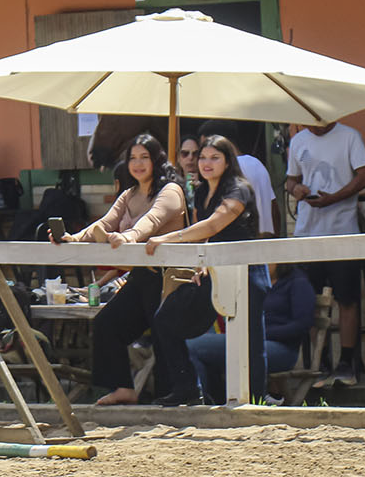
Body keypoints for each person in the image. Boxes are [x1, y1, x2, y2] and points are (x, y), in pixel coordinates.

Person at [57, 133, 188, 405]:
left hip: (167, 277)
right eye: (133, 158)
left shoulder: (172, 191)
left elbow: (150, 222)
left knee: (163, 332)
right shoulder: (129, 194)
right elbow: (103, 225)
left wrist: (128, 236)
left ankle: (173, 395)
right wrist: (71, 238)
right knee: (107, 323)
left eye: (144, 157)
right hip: (140, 274)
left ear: (157, 161)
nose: (138, 164)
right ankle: (123, 388)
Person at [145, 134, 272, 403]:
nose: (206, 163)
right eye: (203, 157)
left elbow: (214, 225)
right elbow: (204, 236)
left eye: (215, 157)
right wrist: (199, 266)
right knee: (165, 318)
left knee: (250, 340)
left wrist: (165, 238)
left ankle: (257, 401)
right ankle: (187, 388)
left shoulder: (240, 188)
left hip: (246, 272)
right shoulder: (200, 192)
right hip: (211, 273)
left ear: (228, 162)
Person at [284, 120, 365, 384]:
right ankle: (319, 362)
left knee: (347, 299)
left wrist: (334, 198)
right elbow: (290, 179)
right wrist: (295, 189)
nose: (310, 126)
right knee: (310, 302)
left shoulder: (349, 136)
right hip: (306, 231)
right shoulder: (299, 141)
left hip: (342, 230)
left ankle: (346, 363)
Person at [186, 263, 316, 404]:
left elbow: (302, 324)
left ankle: (202, 400)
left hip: (281, 349)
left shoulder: (297, 282)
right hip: (247, 338)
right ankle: (211, 398)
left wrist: (261, 333)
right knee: (194, 343)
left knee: (194, 346)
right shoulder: (246, 279)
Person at [176, 137, 201, 220]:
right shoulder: (172, 185)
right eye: (185, 153)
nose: (190, 157)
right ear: (178, 159)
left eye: (195, 154)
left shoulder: (208, 185)